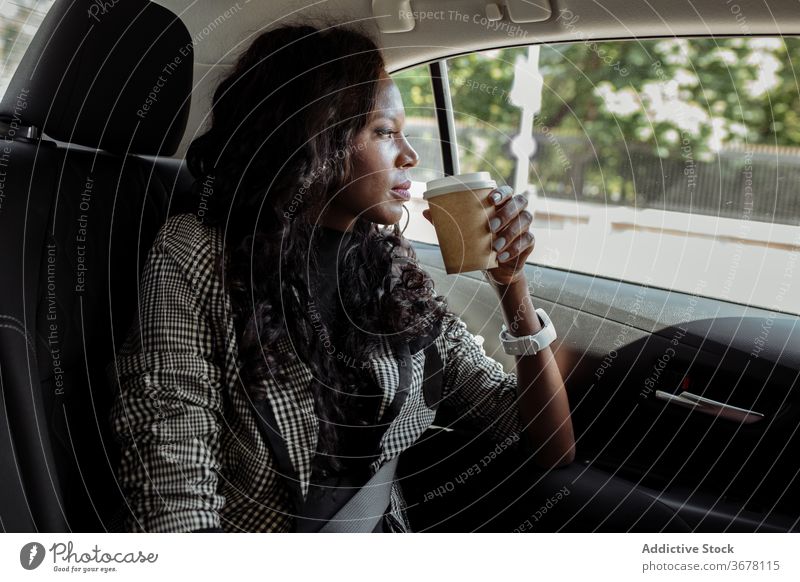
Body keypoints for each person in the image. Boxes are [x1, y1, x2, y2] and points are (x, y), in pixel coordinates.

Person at [106, 22, 575, 533]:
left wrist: (512, 287)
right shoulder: (196, 255)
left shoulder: (389, 265)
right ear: (315, 137)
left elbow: (546, 442)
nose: (410, 156)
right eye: (384, 132)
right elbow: (174, 495)